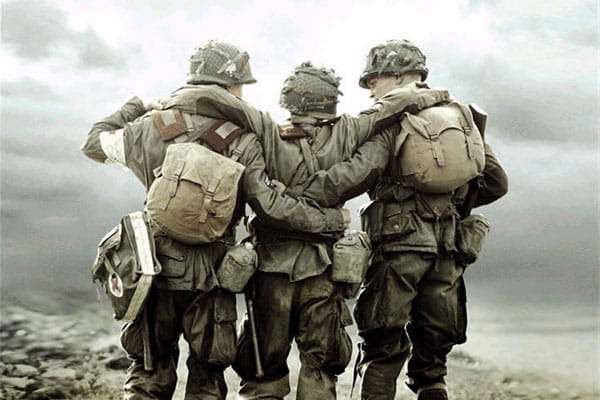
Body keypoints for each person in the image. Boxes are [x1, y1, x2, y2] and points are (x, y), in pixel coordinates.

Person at [80, 40, 350, 400]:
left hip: (154, 267)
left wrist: (138, 105)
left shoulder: (148, 128)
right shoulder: (244, 139)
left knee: (148, 373)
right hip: (214, 273)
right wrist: (330, 219)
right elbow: (270, 207)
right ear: (232, 84)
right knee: (207, 378)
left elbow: (93, 144)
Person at [181, 61, 452, 400]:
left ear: (290, 99)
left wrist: (172, 100)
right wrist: (434, 95)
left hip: (270, 271)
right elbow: (387, 119)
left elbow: (224, 109)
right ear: (331, 100)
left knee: (262, 374)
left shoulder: (264, 131)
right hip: (324, 271)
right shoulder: (350, 130)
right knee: (320, 369)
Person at [285, 40, 509, 400]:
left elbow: (353, 176)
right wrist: (450, 205)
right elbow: (497, 182)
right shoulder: (461, 116)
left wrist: (296, 192)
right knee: (433, 359)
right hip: (449, 248)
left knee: (383, 344)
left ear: (400, 77)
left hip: (399, 247)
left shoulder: (394, 121)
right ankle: (432, 385)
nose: (371, 89)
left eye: (374, 80)